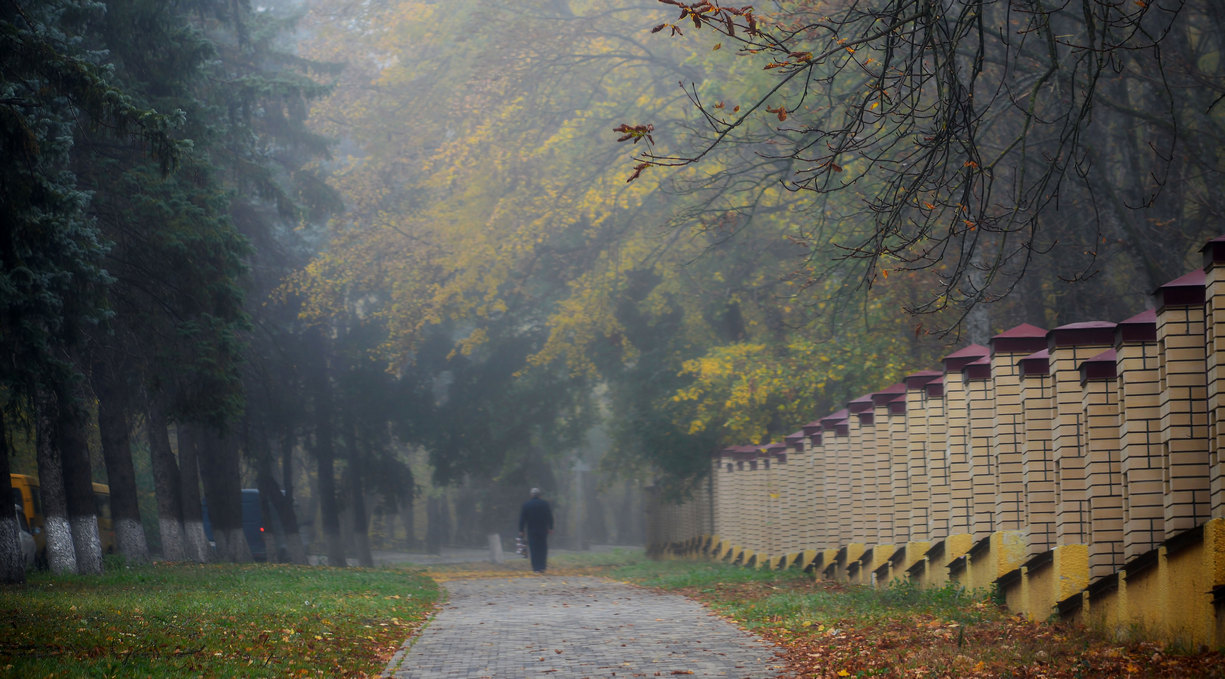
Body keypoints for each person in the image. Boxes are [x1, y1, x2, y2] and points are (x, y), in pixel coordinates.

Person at [518, 487, 553, 573]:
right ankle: (542, 567)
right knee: (542, 548)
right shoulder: (545, 504)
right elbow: (550, 517)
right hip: (543, 530)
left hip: (531, 530)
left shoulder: (526, 505)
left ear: (531, 495)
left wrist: (521, 530)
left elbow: (522, 519)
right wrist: (551, 527)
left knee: (533, 549)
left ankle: (536, 568)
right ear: (540, 495)